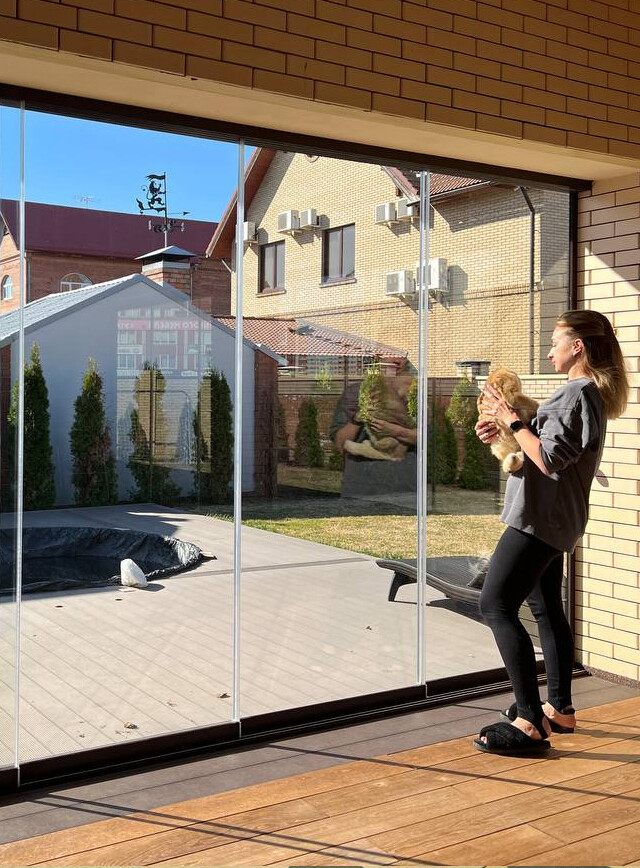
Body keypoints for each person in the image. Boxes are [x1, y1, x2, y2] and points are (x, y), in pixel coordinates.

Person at [473, 309, 629, 755]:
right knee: (545, 608)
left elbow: (548, 459)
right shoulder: (586, 394)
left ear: (577, 346)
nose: (549, 352)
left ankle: (529, 721)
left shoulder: (575, 394)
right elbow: (536, 450)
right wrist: (503, 432)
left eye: (555, 342)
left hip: (538, 520)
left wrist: (512, 419)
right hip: (556, 517)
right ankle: (559, 708)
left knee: (495, 604)